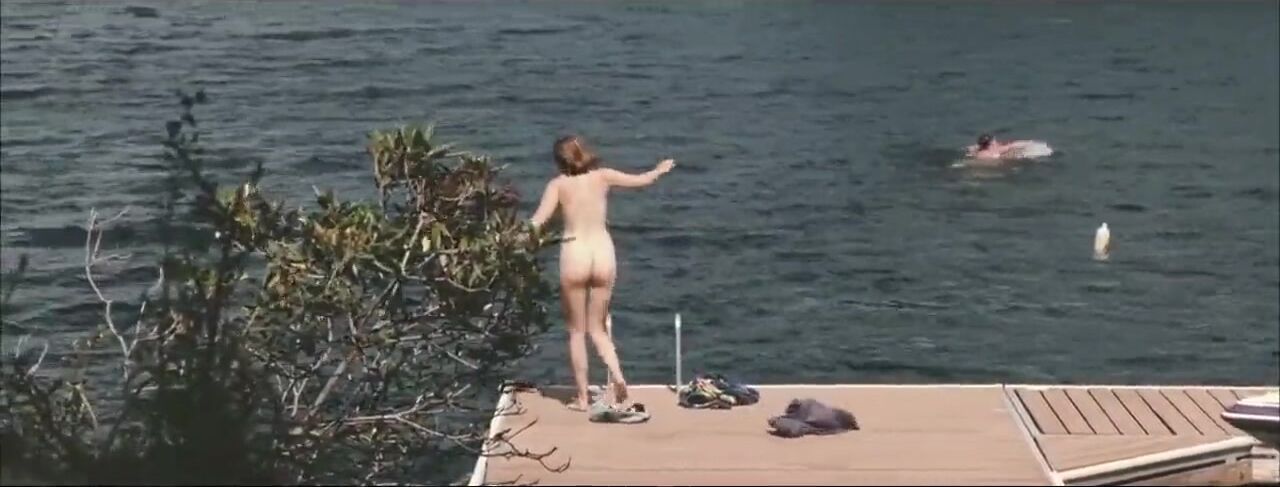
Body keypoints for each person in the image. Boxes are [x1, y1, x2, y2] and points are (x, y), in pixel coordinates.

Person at [529, 135, 676, 411]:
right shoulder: (603, 177)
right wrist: (659, 170)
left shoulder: (558, 185)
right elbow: (640, 180)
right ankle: (618, 377)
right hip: (603, 254)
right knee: (598, 329)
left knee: (576, 332)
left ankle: (583, 398)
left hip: (575, 254)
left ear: (558, 160)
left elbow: (537, 221)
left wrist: (508, 238)